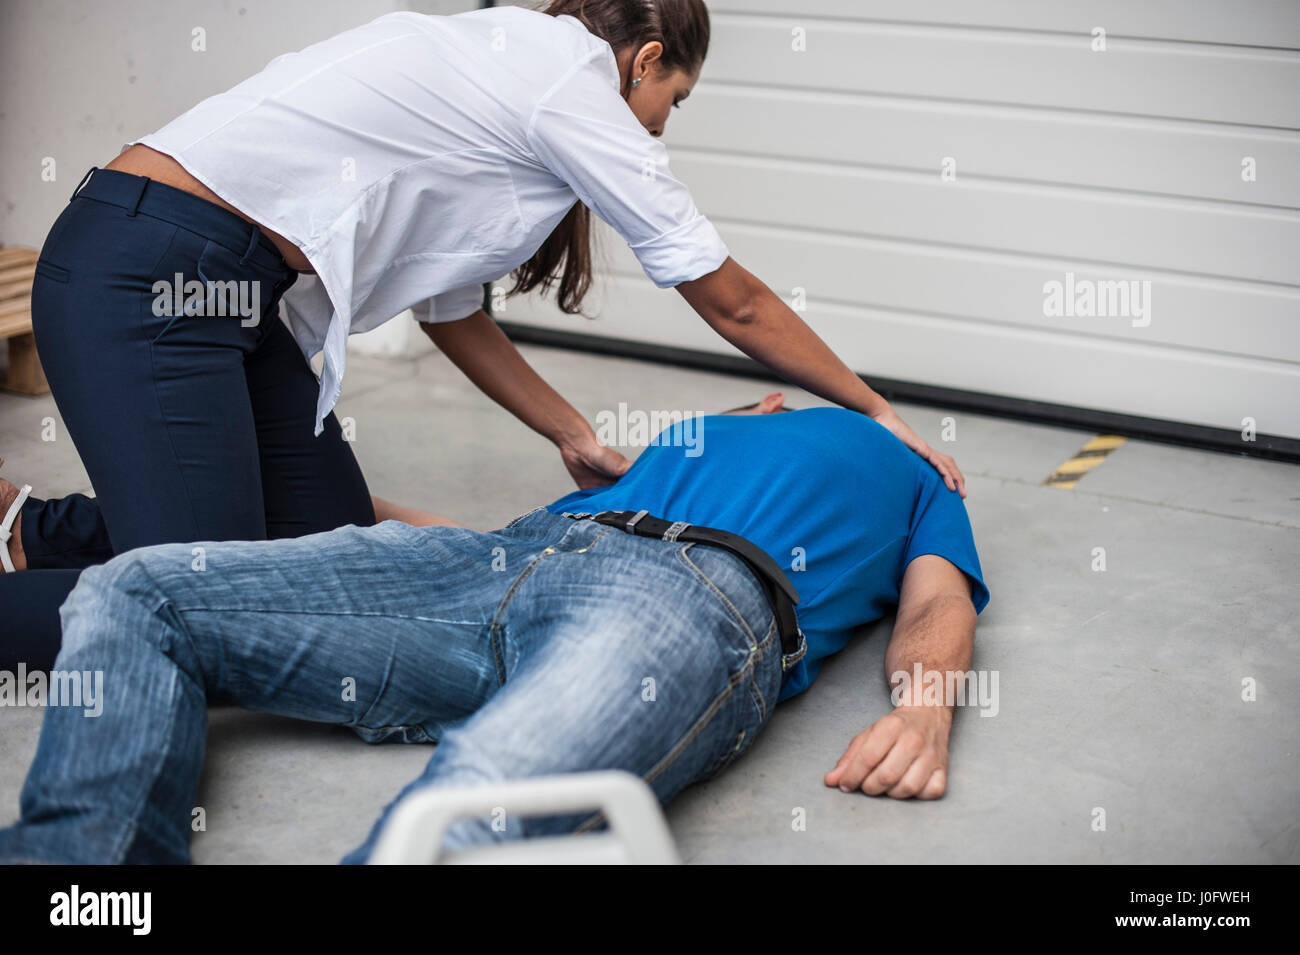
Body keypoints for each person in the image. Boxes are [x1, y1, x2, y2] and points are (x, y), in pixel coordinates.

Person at [0, 1, 964, 633]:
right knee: (205, 607)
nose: (666, 124)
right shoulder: (568, 83)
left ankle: (34, 528)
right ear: (646, 59)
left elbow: (451, 313)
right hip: (146, 270)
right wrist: (876, 408)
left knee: (327, 546)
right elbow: (731, 297)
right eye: (672, 99)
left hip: (240, 304)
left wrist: (573, 434)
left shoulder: (511, 77)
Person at [0, 396, 989, 863]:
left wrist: (928, 710)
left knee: (477, 805)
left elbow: (938, 601)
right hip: (512, 555)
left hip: (694, 595)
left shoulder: (914, 471)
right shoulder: (710, 427)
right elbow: (540, 540)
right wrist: (357, 537)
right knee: (141, 589)